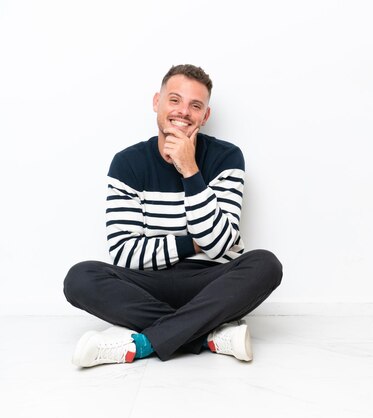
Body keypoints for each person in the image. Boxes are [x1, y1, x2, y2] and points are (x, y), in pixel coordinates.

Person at [63, 64, 282, 367]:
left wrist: (189, 169)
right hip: (150, 285)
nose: (183, 112)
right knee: (80, 278)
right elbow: (125, 254)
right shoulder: (127, 163)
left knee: (266, 265)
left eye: (196, 105)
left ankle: (142, 343)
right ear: (157, 102)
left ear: (205, 116)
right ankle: (207, 336)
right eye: (175, 100)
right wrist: (194, 243)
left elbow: (218, 247)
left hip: (210, 284)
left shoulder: (227, 157)